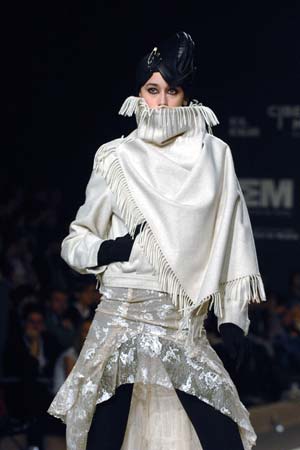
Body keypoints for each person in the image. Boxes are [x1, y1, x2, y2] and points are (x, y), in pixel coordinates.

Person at [48, 31, 266, 450]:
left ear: (187, 96)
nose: (162, 102)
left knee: (224, 440)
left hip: (182, 324)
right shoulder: (115, 157)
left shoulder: (214, 155)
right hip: (123, 316)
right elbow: (75, 241)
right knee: (104, 440)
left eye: (172, 90)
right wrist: (109, 250)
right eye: (152, 90)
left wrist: (234, 318)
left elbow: (234, 236)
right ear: (138, 95)